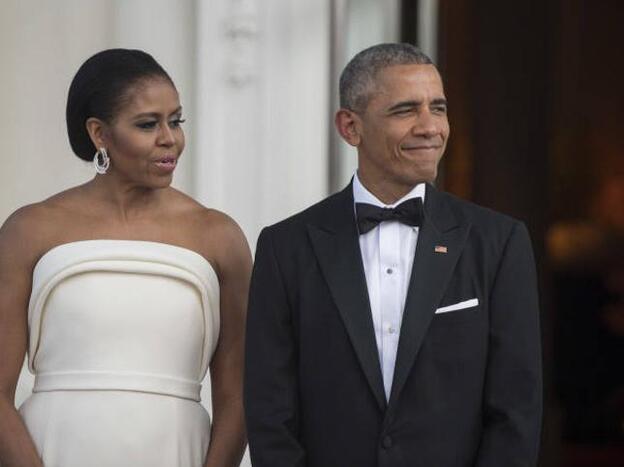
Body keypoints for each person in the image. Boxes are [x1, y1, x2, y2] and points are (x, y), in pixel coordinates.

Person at [244, 43, 542, 467]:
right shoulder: (285, 247)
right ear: (350, 127)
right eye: (406, 110)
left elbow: (517, 409)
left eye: (437, 108)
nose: (430, 127)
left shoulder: (499, 242)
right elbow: (270, 411)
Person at [0, 49, 251, 467]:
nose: (170, 138)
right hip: (53, 447)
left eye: (176, 120)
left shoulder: (218, 236)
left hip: (176, 450)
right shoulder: (30, 229)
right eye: (148, 124)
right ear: (99, 133)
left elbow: (239, 394)